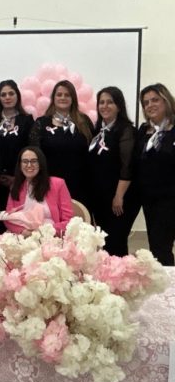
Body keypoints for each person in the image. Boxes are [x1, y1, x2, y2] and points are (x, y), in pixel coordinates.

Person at [88, 87, 140, 256]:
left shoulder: (126, 130)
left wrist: (119, 196)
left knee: (116, 241)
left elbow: (127, 166)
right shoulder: (98, 131)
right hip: (100, 197)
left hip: (120, 198)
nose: (105, 106)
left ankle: (121, 272)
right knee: (105, 242)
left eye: (110, 102)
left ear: (119, 106)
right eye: (101, 102)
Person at [29, 80, 93, 207]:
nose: (63, 97)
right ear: (53, 98)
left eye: (67, 95)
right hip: (50, 185)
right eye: (59, 94)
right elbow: (35, 155)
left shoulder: (84, 121)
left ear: (73, 98)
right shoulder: (41, 123)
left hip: (80, 185)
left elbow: (92, 153)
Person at [135, 83, 175, 265]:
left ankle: (167, 281)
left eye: (155, 100)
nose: (150, 105)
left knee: (161, 248)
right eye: (146, 103)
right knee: (156, 246)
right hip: (149, 199)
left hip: (170, 198)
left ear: (166, 101)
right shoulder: (144, 130)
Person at [0, 79, 34, 234]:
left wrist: (18, 177)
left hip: (19, 181)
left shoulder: (27, 120)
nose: (7, 97)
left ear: (17, 96)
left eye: (11, 93)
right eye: (3, 94)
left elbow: (31, 150)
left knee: (18, 223)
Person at [5, 146, 73, 236]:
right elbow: (8, 218)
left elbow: (68, 220)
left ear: (40, 164)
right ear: (20, 165)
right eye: (25, 161)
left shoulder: (58, 184)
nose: (29, 165)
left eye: (34, 161)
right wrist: (23, 232)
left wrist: (44, 232)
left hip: (52, 236)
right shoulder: (16, 187)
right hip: (23, 237)